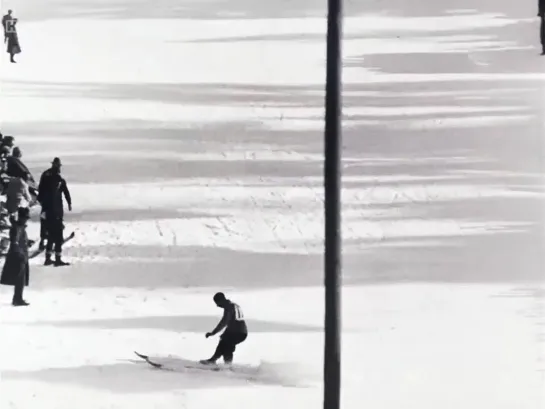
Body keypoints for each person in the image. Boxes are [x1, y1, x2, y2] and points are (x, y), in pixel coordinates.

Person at [38, 157, 72, 266]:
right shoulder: (58, 179)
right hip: (55, 211)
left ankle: (47, 258)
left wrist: (43, 205)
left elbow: (40, 191)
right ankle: (57, 259)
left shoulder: (45, 175)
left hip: (46, 210)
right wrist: (69, 203)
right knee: (57, 235)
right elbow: (65, 192)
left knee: (49, 232)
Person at [200, 292, 248, 365]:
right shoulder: (234, 305)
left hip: (238, 332)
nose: (217, 305)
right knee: (223, 341)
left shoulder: (229, 307)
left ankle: (228, 365)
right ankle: (213, 360)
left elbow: (224, 322)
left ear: (221, 300)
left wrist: (213, 332)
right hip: (238, 331)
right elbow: (233, 321)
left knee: (227, 346)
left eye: (217, 303)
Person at [0, 207, 32, 306]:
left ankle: (18, 298)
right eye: (25, 218)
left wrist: (28, 242)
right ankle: (17, 299)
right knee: (19, 279)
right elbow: (15, 242)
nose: (26, 219)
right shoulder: (17, 227)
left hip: (20, 255)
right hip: (18, 256)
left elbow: (20, 240)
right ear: (21, 218)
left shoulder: (19, 226)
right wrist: (19, 253)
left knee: (20, 279)